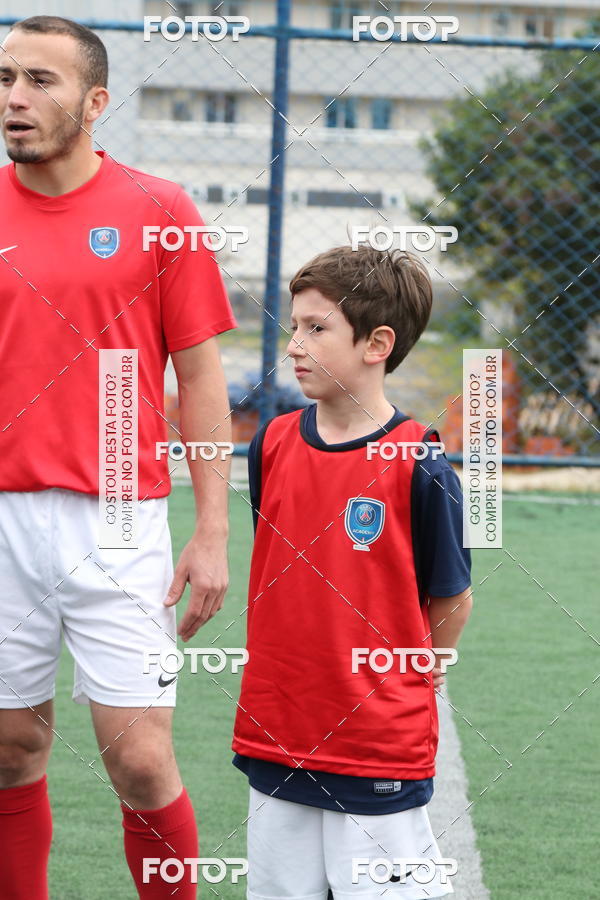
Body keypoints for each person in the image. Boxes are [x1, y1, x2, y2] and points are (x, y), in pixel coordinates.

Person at [0, 15, 236, 899]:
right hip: (3, 518)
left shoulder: (159, 210)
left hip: (120, 519)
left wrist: (212, 529)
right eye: (6, 77)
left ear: (96, 102)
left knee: (140, 760)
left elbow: (202, 377)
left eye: (41, 81)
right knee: (10, 748)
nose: (16, 98)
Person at [232, 244, 473, 899]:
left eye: (317, 329)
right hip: (278, 729)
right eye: (293, 326)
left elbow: (451, 598)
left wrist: (411, 676)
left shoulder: (419, 462)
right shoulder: (272, 443)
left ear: (377, 344)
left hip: (375, 742)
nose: (295, 345)